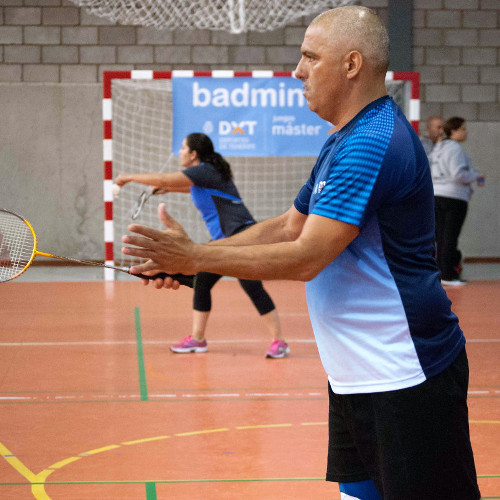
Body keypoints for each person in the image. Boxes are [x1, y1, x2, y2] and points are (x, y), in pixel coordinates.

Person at [122, 6, 481, 500]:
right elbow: (289, 225)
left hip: (406, 375)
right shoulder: (342, 139)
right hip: (353, 376)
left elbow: (307, 255)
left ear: (352, 64)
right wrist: (194, 257)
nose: (297, 71)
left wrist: (195, 259)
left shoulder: (374, 141)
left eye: (311, 57)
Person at [115, 133, 289, 359]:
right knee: (202, 282)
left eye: (183, 148)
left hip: (241, 236)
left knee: (252, 287)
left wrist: (128, 177)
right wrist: (165, 189)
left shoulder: (204, 171)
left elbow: (166, 179)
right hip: (221, 242)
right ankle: (197, 339)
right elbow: (187, 187)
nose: (179, 152)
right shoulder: (204, 176)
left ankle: (280, 341)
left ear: (193, 154)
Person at [430, 117, 485, 286]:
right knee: (450, 236)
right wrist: (476, 175)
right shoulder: (454, 149)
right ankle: (447, 273)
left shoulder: (438, 147)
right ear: (453, 131)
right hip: (453, 197)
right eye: (462, 129)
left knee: (441, 236)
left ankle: (441, 272)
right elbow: (457, 174)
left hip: (437, 194)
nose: (465, 132)